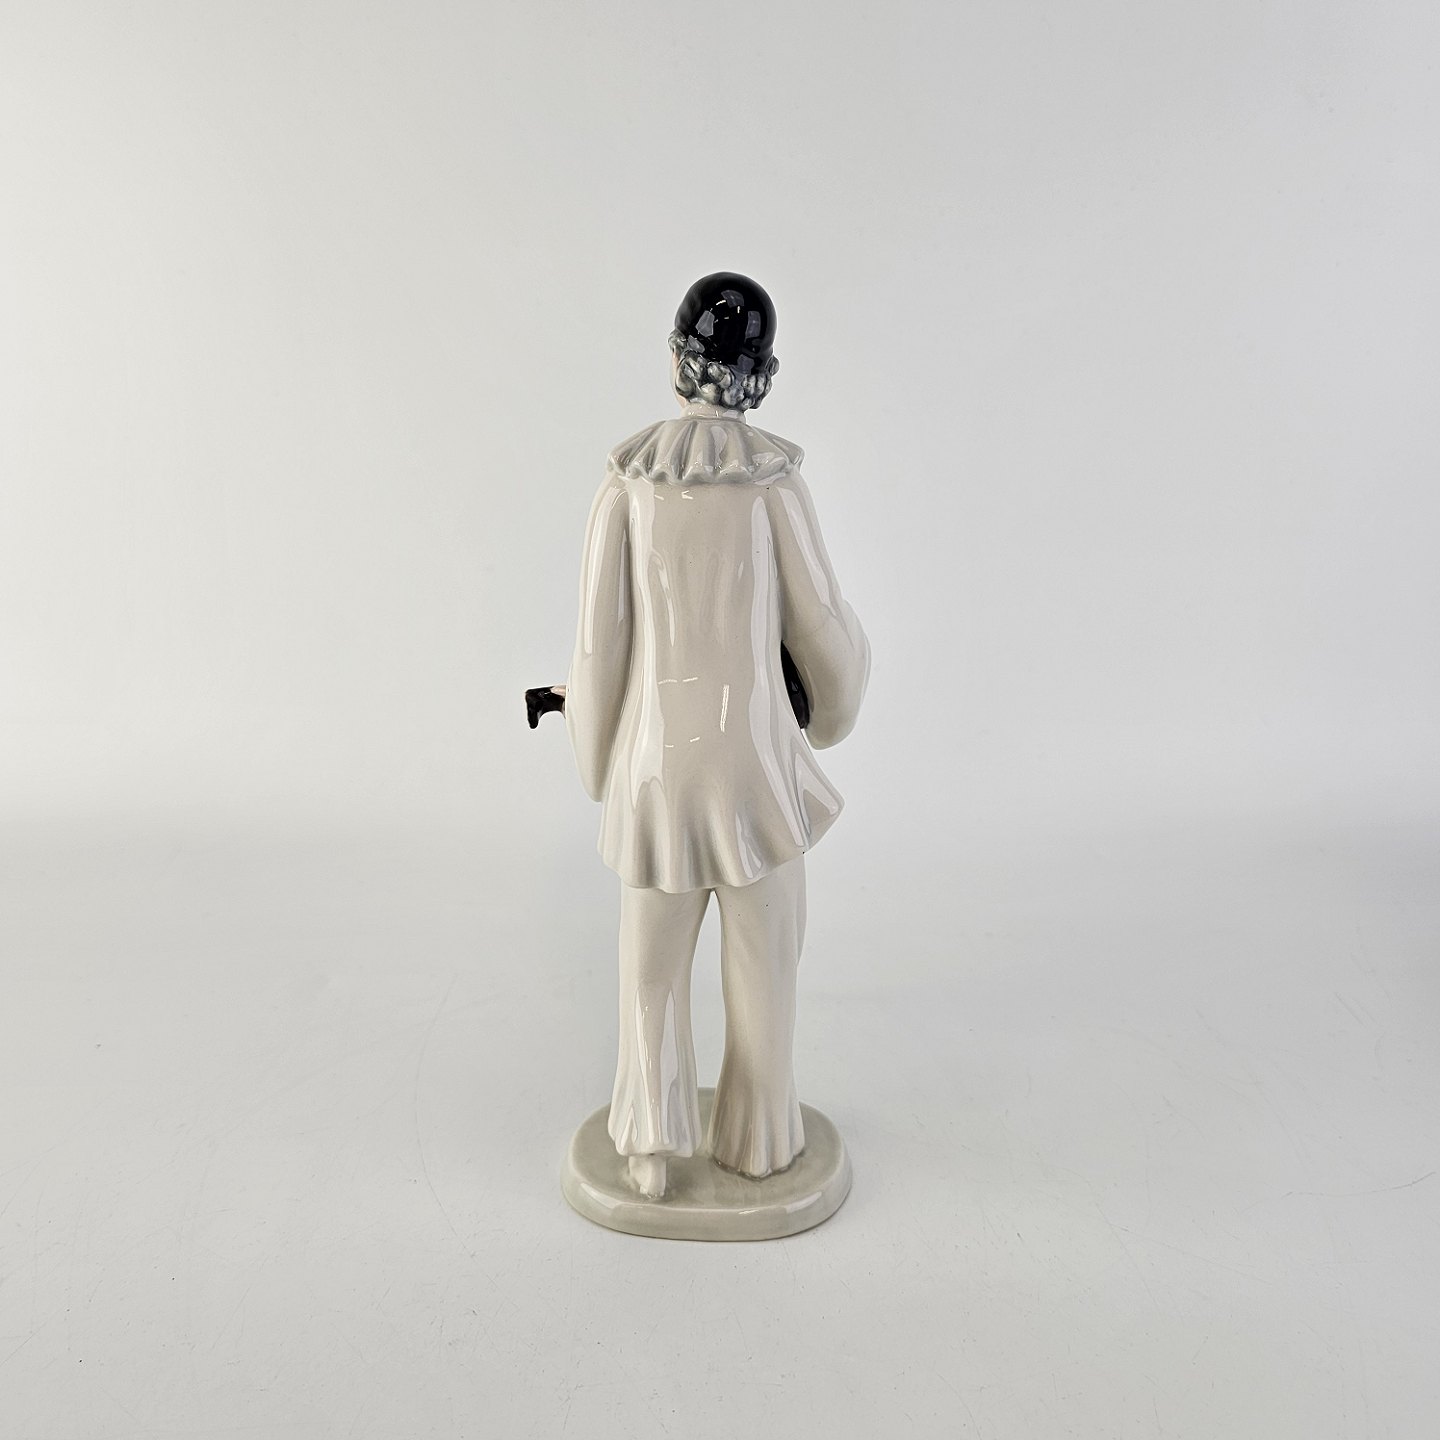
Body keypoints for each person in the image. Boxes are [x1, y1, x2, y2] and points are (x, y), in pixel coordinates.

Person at [564, 273, 869, 1198]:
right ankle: (759, 1136)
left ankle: (648, 1148)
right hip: (756, 771)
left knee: (649, 968)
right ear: (762, 377)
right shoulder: (775, 487)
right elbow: (823, 627)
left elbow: (598, 650)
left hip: (655, 768)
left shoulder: (625, 488)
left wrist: (597, 764)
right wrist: (835, 713)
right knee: (765, 960)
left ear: (675, 360)